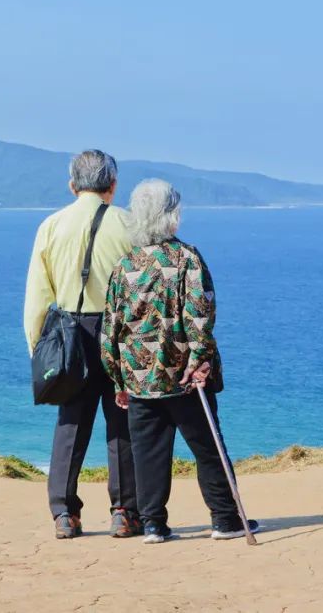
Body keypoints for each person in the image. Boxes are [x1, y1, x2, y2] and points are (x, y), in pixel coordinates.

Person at [101, 179, 259, 544]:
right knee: (207, 448)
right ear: (172, 214)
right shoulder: (187, 258)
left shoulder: (124, 265)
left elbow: (111, 327)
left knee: (148, 454)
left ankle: (153, 523)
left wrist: (118, 379)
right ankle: (226, 519)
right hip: (186, 376)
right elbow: (199, 315)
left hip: (140, 379)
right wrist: (201, 360)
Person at [23, 150, 141, 540]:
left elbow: (37, 297)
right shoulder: (128, 224)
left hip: (68, 329)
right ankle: (124, 511)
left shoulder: (51, 225)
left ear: (72, 185)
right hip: (118, 331)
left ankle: (63, 513)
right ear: (112, 184)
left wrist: (38, 349)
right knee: (121, 421)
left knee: (70, 423)